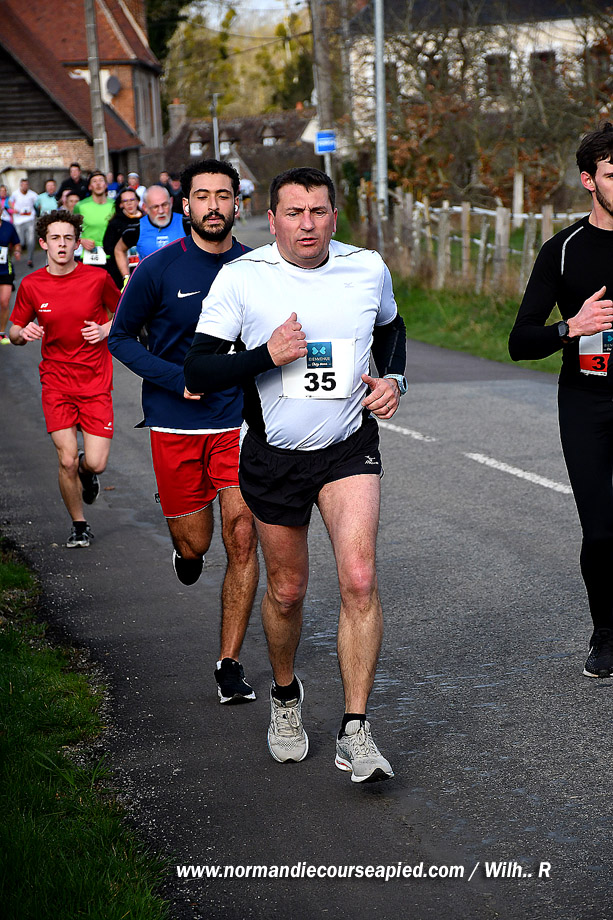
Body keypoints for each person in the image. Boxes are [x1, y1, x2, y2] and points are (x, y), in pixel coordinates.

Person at [184, 166, 408, 782]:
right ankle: (285, 696)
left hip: (347, 448)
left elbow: (391, 327)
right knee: (287, 591)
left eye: (318, 211)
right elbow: (198, 370)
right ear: (272, 218)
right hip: (274, 456)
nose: (306, 224)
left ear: (334, 216)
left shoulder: (367, 267)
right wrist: (266, 355)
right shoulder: (243, 277)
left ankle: (355, 729)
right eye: (293, 212)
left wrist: (394, 379)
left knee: (359, 578)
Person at [108, 158, 259, 704]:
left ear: (237, 203)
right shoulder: (158, 269)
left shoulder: (259, 267)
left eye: (223, 195)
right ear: (185, 205)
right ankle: (186, 553)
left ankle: (229, 663)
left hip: (239, 421)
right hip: (176, 422)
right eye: (202, 196)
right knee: (196, 543)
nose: (213, 206)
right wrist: (178, 379)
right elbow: (120, 338)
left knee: (242, 535)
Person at [509, 121, 613, 680]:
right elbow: (520, 340)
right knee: (601, 531)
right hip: (586, 403)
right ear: (589, 180)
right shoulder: (564, 251)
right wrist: (572, 326)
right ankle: (606, 632)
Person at [9, 210, 120, 547]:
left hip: (95, 380)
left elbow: (124, 315)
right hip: (56, 382)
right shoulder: (32, 285)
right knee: (67, 458)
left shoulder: (97, 278)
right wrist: (21, 333)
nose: (62, 244)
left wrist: (105, 329)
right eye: (55, 238)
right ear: (44, 243)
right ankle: (79, 524)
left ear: (76, 243)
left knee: (95, 463)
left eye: (68, 238)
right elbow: (13, 330)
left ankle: (88, 474)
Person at [113, 184, 184, 279]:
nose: (161, 211)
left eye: (164, 205)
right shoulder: (137, 228)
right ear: (145, 207)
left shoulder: (186, 224)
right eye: (155, 207)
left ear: (171, 202)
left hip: (181, 282)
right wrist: (126, 277)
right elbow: (119, 250)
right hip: (150, 284)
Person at [102, 186, 143, 289]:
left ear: (138, 201)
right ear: (121, 204)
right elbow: (107, 247)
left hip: (143, 268)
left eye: (132, 200)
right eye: (125, 201)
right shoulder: (115, 223)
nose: (129, 204)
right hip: (120, 272)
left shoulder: (147, 220)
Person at [74, 170, 114, 265]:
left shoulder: (114, 205)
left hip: (112, 254)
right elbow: (71, 228)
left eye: (101, 180)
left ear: (106, 185)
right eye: (94, 181)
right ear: (90, 187)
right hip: (89, 256)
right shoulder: (80, 206)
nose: (98, 184)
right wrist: (81, 241)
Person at [0, 217, 21, 342]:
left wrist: (17, 251)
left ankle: (1, 332)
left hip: (5, 271)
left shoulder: (8, 227)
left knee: (4, 302)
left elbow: (16, 243)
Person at [9, 177, 38, 266]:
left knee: (31, 240)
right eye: (23, 185)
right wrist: (14, 209)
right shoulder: (15, 194)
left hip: (30, 218)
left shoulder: (32, 194)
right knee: (20, 241)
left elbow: (37, 203)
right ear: (20, 185)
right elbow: (10, 202)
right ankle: (16, 254)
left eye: (26, 185)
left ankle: (30, 259)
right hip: (18, 220)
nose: (25, 186)